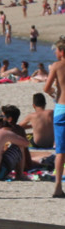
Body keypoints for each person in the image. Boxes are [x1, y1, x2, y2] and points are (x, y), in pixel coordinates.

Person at [44, 37, 65, 197]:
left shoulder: (57, 66)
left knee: (60, 151)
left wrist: (54, 94)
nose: (55, 53)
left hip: (61, 107)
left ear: (62, 52)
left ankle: (58, 186)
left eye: (56, 50)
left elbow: (46, 87)